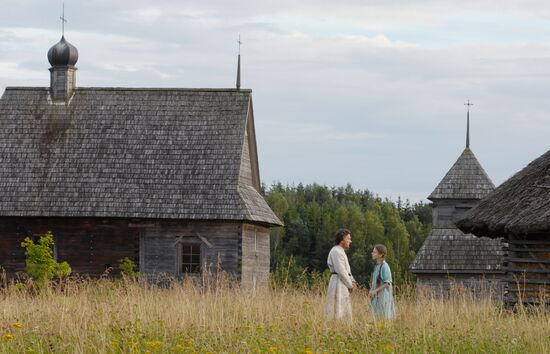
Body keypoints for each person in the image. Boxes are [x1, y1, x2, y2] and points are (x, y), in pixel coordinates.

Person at [325, 228, 357, 321]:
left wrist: (353, 281)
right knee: (337, 309)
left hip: (342, 283)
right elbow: (341, 271)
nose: (350, 241)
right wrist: (350, 285)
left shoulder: (341, 251)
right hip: (337, 283)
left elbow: (347, 271)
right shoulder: (336, 251)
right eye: (348, 239)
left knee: (343, 308)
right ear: (342, 239)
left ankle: (342, 330)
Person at [368, 244, 396, 320]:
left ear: (380, 255)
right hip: (376, 297)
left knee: (382, 318)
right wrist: (371, 289)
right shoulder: (377, 266)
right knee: (375, 319)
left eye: (374, 252)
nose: (372, 253)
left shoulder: (384, 266)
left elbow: (387, 283)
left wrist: (375, 291)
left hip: (383, 297)